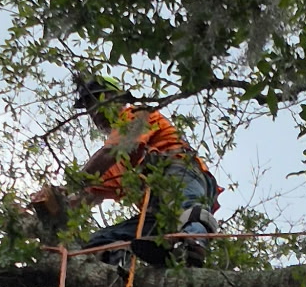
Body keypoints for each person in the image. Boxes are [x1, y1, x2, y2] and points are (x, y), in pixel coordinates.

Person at [34, 73, 221, 267]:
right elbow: (89, 194)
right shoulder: (120, 163)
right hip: (156, 210)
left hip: (180, 171)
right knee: (99, 242)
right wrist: (54, 205)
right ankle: (121, 271)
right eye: (90, 110)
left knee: (184, 205)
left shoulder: (138, 115)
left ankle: (193, 244)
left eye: (99, 103)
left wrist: (73, 183)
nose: (95, 114)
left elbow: (109, 152)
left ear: (117, 98)